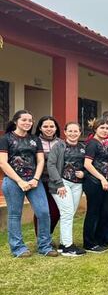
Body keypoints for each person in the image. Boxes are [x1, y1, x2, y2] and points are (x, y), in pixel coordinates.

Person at [0, 110, 58, 258]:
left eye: (30, 120)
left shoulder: (34, 140)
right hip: (13, 181)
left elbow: (40, 161)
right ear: (15, 121)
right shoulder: (6, 139)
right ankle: (18, 247)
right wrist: (19, 181)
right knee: (15, 215)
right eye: (24, 120)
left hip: (33, 181)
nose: (27, 123)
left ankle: (44, 246)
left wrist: (35, 179)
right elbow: (3, 162)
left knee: (43, 212)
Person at [47, 121, 87, 256]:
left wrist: (84, 173)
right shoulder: (58, 146)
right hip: (62, 183)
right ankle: (68, 247)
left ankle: (64, 243)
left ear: (80, 133)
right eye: (70, 131)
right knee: (67, 212)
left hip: (77, 184)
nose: (73, 133)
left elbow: (88, 164)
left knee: (70, 213)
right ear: (64, 132)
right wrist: (59, 184)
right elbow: (51, 165)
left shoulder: (83, 147)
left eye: (76, 131)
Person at [82, 118, 108, 253]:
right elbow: (87, 164)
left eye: (107, 128)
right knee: (93, 212)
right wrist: (102, 178)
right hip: (94, 182)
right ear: (95, 129)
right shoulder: (92, 144)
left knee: (106, 212)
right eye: (102, 128)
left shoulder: (103, 144)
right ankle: (89, 243)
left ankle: (99, 239)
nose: (105, 130)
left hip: (104, 183)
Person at [33, 116, 63, 242]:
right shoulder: (34, 142)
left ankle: (47, 234)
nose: (49, 129)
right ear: (40, 128)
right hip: (40, 180)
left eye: (52, 126)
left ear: (56, 128)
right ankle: (42, 238)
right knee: (41, 211)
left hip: (56, 181)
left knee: (56, 211)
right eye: (45, 126)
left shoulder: (61, 143)